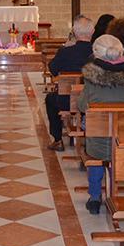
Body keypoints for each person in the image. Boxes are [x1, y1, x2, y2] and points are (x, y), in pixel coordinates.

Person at [77, 34, 124, 214]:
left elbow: (82, 105)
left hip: (101, 144)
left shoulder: (92, 76)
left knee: (94, 136)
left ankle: (94, 196)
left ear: (96, 53)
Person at [44, 16, 94, 151]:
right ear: (93, 32)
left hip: (67, 100)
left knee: (50, 99)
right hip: (93, 100)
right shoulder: (98, 52)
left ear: (74, 32)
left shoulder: (65, 52)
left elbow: (53, 69)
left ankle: (58, 139)